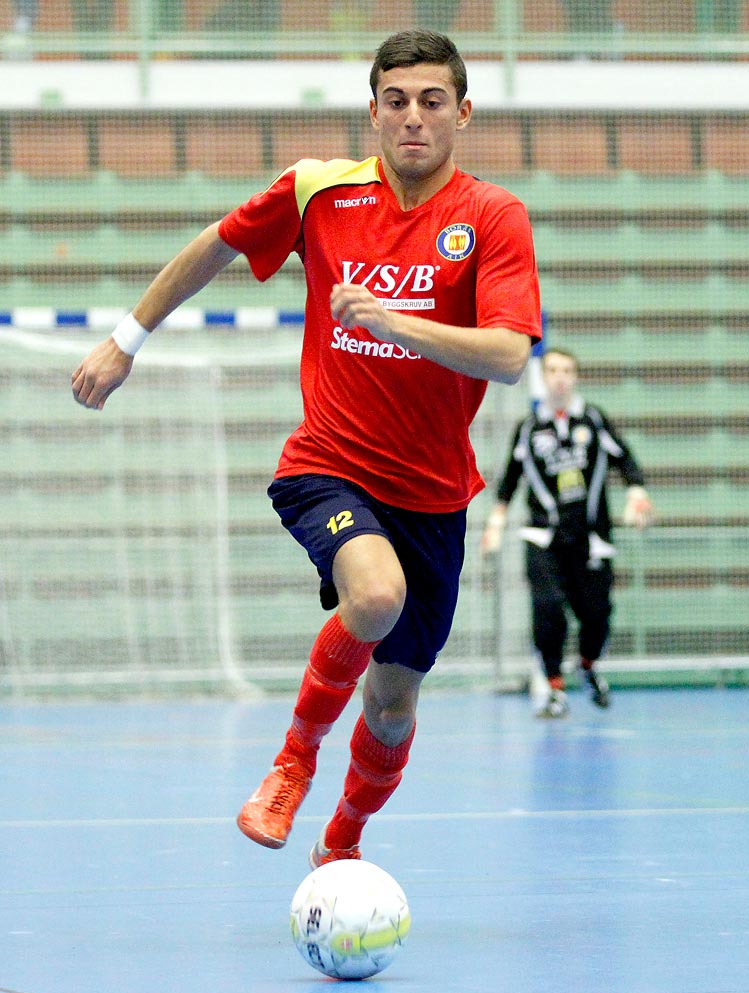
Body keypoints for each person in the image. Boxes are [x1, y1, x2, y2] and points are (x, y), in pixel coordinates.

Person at [71, 30, 542, 868]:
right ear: (372, 112)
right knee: (373, 596)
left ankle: (342, 843)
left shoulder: (491, 216)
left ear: (462, 114)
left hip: (433, 493)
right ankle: (292, 761)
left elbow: (509, 356)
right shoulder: (317, 191)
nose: (412, 118)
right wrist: (124, 340)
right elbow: (212, 248)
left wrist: (392, 321)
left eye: (432, 101)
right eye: (395, 101)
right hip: (328, 465)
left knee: (393, 705)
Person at [479, 347, 652, 718]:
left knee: (596, 614)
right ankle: (554, 688)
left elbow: (626, 460)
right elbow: (509, 480)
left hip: (590, 539)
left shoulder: (593, 420)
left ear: (575, 377)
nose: (559, 377)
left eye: (567, 370)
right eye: (552, 369)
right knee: (547, 608)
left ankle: (588, 665)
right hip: (543, 537)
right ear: (544, 377)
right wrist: (495, 525)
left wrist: (637, 494)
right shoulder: (528, 428)